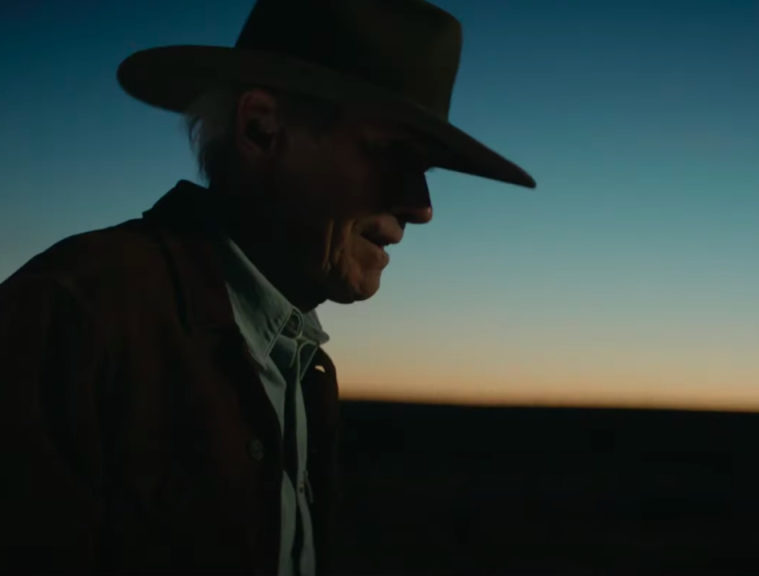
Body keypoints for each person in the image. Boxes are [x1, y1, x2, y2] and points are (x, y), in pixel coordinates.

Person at [0, 0, 535, 573]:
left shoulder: (303, 368)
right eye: (393, 155)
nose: (421, 207)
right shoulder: (75, 317)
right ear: (260, 128)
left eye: (423, 171)